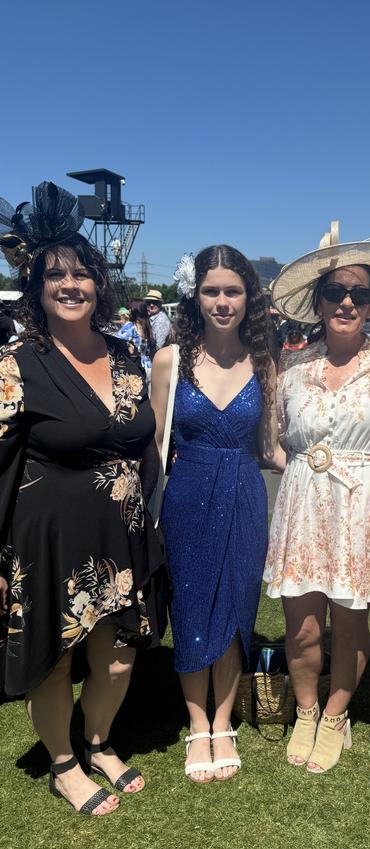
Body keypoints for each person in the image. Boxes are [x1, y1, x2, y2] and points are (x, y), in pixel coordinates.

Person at [0, 181, 164, 815]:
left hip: (123, 533)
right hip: (48, 537)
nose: (70, 286)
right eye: (55, 277)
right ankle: (64, 763)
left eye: (81, 275)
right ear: (38, 291)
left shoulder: (127, 356)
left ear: (99, 285)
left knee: (118, 663)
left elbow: (145, 437)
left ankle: (98, 742)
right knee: (55, 663)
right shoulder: (17, 361)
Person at [265, 225, 370, 772]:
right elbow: (273, 441)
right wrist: (307, 467)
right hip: (304, 501)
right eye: (336, 292)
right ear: (319, 301)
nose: (347, 302)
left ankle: (337, 714)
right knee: (302, 623)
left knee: (351, 620)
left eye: (360, 293)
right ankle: (306, 710)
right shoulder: (293, 367)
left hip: (363, 504)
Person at [149, 246, 283, 783]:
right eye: (211, 291)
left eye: (232, 290)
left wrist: (328, 469)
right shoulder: (170, 359)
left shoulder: (266, 362)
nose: (222, 302)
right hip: (188, 493)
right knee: (192, 604)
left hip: (246, 493)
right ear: (195, 295)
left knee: (235, 606)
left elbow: (271, 448)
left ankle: (224, 722)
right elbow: (154, 443)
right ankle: (197, 724)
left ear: (248, 296)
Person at [116, 299, 156, 384]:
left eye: (128, 309)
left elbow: (116, 340)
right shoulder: (148, 327)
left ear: (133, 310)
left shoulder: (130, 327)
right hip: (148, 366)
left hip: (136, 366)